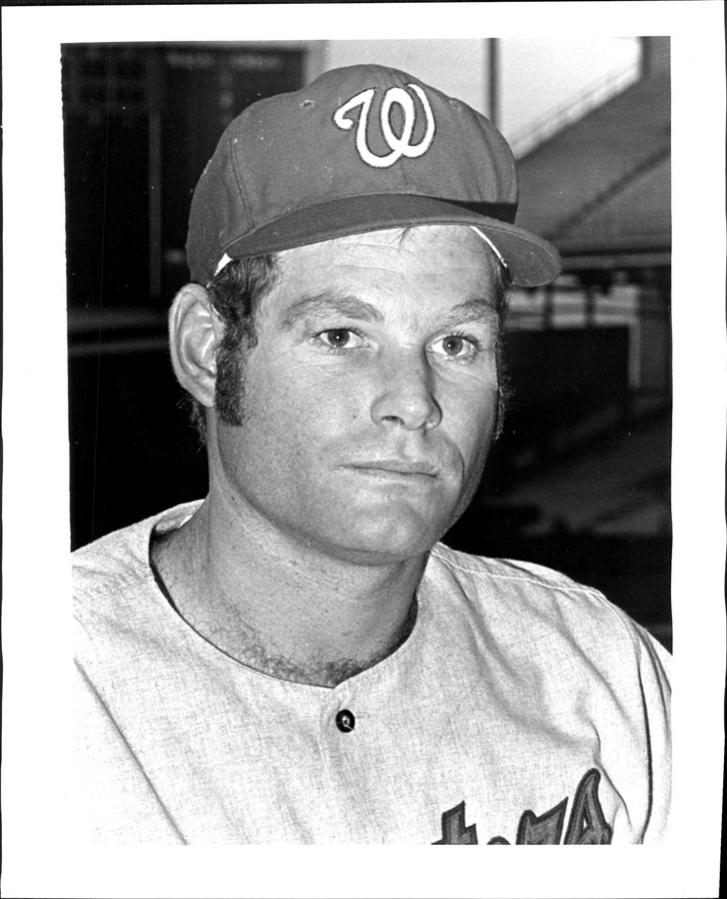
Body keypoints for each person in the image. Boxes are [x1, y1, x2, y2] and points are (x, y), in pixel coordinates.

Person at [73, 64, 670, 844]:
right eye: (341, 335)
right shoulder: (51, 686)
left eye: (456, 343)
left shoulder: (601, 668)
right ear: (207, 351)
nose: (414, 401)